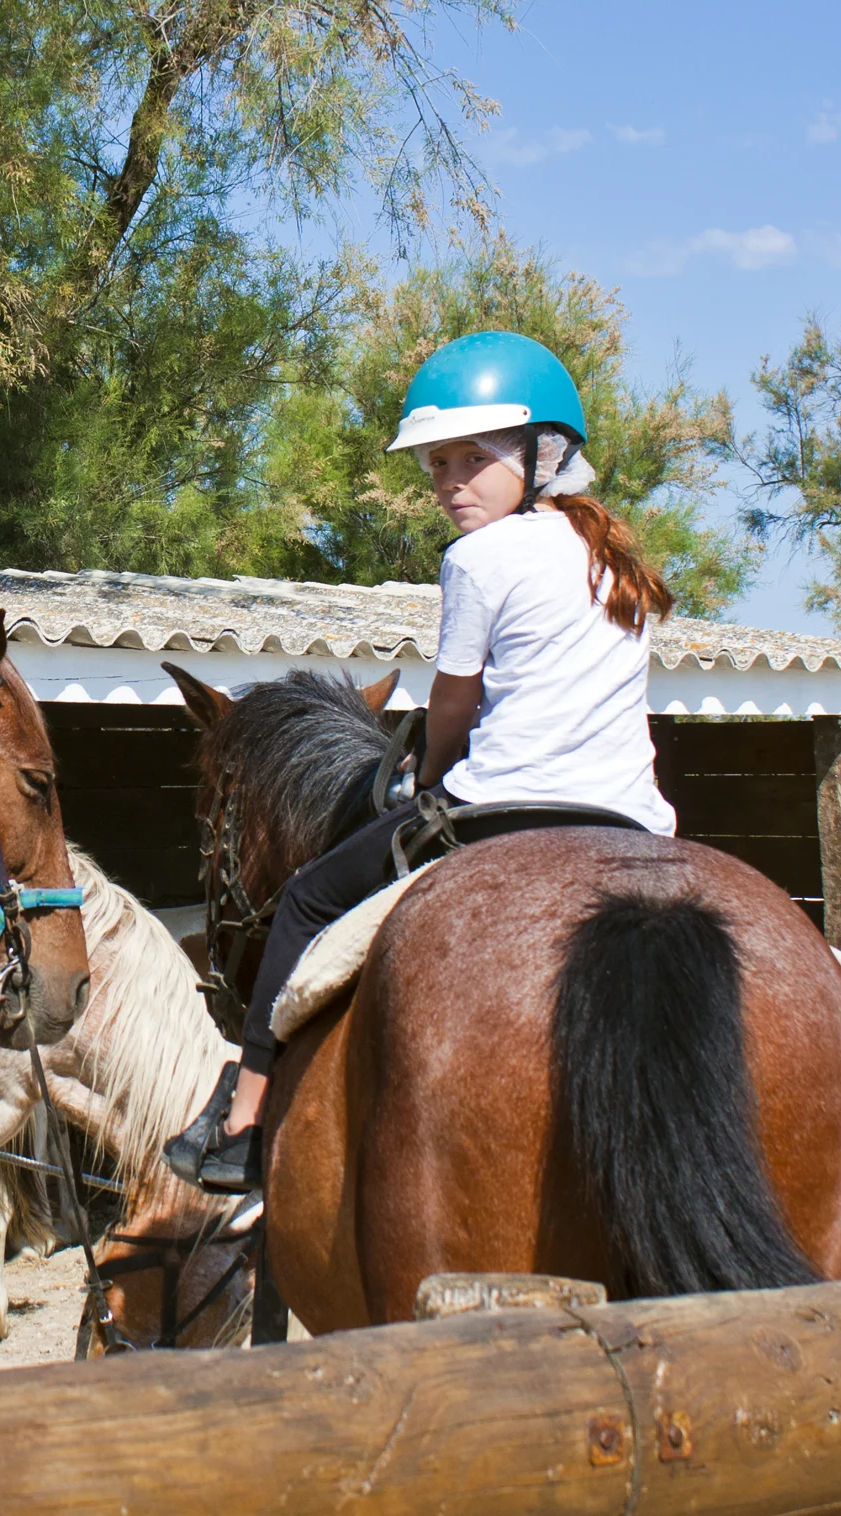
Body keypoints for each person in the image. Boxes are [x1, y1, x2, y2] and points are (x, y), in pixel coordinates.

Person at [165, 330, 680, 1193]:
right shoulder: (618, 561)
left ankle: (247, 1113)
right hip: (635, 821)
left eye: (469, 460)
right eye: (437, 465)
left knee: (302, 903)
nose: (447, 484)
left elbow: (452, 705)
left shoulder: (478, 558)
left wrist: (434, 774)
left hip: (505, 807)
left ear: (541, 452)